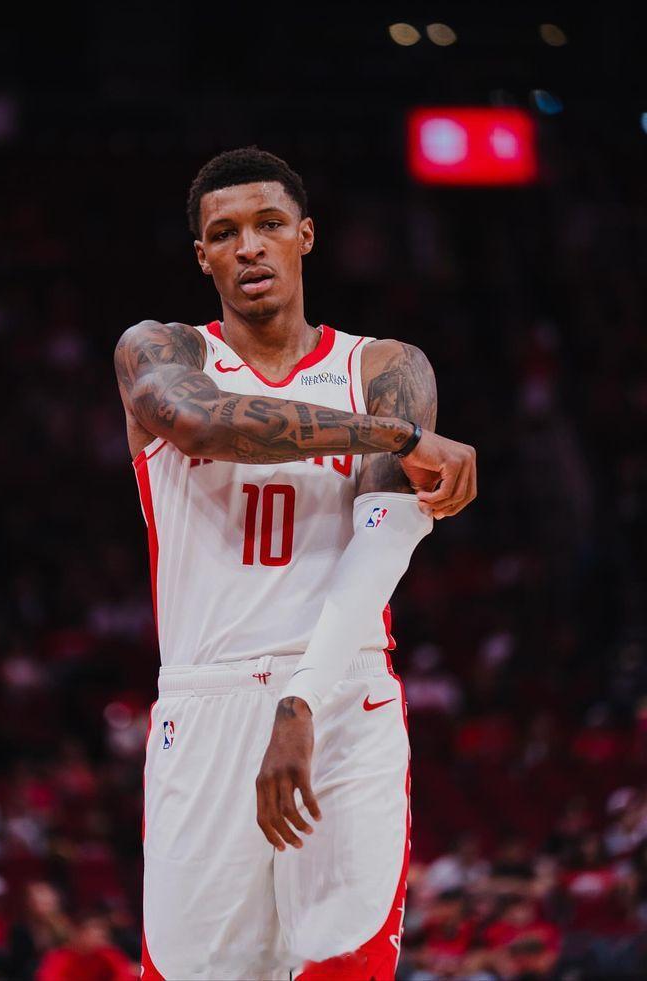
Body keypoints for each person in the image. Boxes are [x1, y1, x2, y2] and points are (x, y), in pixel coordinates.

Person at [114, 147, 477, 979]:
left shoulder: (385, 367)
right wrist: (399, 437)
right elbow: (204, 425)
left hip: (343, 690)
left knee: (341, 966)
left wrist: (302, 699)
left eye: (269, 224)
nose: (249, 246)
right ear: (201, 255)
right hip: (206, 701)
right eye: (224, 233)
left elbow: (383, 545)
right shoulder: (162, 352)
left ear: (305, 236)